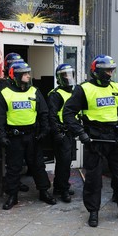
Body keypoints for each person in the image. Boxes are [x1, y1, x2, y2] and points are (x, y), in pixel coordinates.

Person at [63, 55, 118, 227]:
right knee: (93, 179)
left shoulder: (117, 88)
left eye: (111, 70)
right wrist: (81, 134)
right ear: (96, 71)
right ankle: (93, 211)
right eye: (107, 70)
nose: (110, 73)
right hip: (94, 139)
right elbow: (68, 113)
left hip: (114, 138)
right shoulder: (84, 89)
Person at [0, 61, 57, 210]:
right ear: (16, 76)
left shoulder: (34, 91)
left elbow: (43, 112)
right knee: (14, 168)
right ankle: (12, 196)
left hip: (32, 136)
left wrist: (44, 131)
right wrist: (1, 136)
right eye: (25, 74)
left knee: (38, 165)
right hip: (14, 137)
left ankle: (44, 191)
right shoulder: (5, 94)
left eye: (28, 73)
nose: (28, 76)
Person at [0, 52, 29, 193]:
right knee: (10, 161)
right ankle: (9, 185)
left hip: (25, 129)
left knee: (18, 160)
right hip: (8, 128)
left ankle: (17, 182)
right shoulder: (3, 84)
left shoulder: (25, 84)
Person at [47, 64, 76, 203]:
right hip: (61, 132)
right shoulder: (55, 94)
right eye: (65, 75)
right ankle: (63, 189)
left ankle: (60, 186)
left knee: (66, 161)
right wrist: (57, 132)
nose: (68, 77)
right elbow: (51, 116)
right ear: (59, 78)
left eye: (70, 74)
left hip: (70, 132)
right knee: (64, 162)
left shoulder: (73, 92)